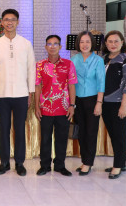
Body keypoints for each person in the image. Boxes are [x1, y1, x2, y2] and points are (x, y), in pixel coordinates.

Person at [0, 9, 35, 176]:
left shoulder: (26, 44)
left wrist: (31, 92)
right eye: (6, 19)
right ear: (2, 23)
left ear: (18, 22)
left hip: (21, 93)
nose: (10, 22)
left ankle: (20, 163)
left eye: (13, 19)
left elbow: (31, 69)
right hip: (1, 94)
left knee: (20, 129)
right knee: (4, 129)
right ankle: (4, 162)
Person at [35, 35, 77, 177]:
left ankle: (60, 165)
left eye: (55, 44)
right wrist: (36, 106)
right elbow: (37, 87)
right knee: (45, 138)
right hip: (45, 108)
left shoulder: (68, 64)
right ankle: (44, 166)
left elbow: (71, 86)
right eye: (49, 44)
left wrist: (72, 105)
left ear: (60, 46)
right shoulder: (40, 65)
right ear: (46, 47)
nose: (52, 46)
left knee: (61, 138)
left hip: (63, 108)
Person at [71, 31, 105, 176]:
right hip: (77, 100)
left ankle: (88, 162)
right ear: (78, 44)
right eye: (82, 42)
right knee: (81, 131)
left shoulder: (98, 60)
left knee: (91, 131)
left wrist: (99, 102)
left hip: (93, 99)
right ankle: (84, 160)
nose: (85, 45)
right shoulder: (73, 59)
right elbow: (70, 82)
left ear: (92, 43)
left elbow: (101, 82)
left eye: (88, 42)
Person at [102, 30, 126, 179]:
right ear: (106, 43)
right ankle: (122, 162)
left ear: (122, 42)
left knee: (119, 135)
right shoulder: (104, 59)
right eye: (110, 41)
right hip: (106, 104)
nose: (113, 44)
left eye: (116, 41)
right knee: (114, 135)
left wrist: (124, 106)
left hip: (120, 103)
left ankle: (118, 165)